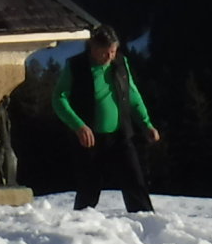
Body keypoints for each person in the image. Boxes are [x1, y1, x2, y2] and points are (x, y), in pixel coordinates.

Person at [53, 25, 161, 212]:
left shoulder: (120, 64)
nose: (110, 56)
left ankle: (146, 223)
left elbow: (132, 94)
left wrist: (146, 124)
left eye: (113, 51)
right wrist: (78, 125)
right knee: (89, 189)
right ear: (94, 48)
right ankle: (80, 225)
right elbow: (59, 98)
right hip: (90, 139)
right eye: (105, 52)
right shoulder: (76, 66)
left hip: (120, 135)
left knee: (136, 183)